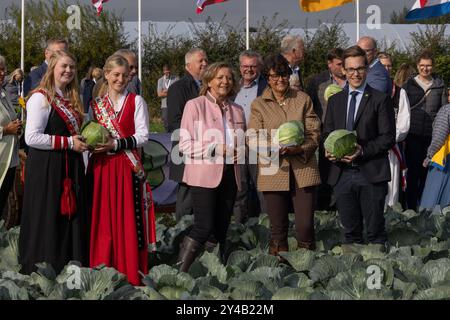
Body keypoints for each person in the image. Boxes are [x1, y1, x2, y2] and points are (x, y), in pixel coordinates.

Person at [19, 50, 89, 274]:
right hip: (47, 169)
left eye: (72, 67)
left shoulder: (70, 97)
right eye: (63, 66)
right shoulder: (41, 97)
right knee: (46, 216)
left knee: (65, 218)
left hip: (68, 168)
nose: (68, 70)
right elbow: (32, 138)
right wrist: (69, 143)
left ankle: (66, 267)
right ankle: (41, 270)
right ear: (52, 68)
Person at [89, 54, 155, 286]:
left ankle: (129, 269)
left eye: (124, 76)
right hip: (103, 168)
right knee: (104, 219)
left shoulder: (136, 101)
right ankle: (103, 268)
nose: (120, 79)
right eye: (115, 75)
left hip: (126, 167)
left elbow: (143, 136)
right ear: (106, 74)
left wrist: (115, 144)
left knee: (128, 219)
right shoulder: (96, 105)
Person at [323, 46, 395, 253]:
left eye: (360, 68)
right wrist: (328, 149)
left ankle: (377, 277)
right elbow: (326, 132)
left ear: (367, 69)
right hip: (342, 174)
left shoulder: (380, 99)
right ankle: (351, 273)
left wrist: (362, 151)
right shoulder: (335, 101)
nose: (356, 74)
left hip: (370, 173)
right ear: (343, 71)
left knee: (374, 232)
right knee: (349, 232)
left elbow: (387, 138)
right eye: (351, 69)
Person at [248, 54, 321, 259]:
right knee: (278, 227)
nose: (280, 80)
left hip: (303, 166)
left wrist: (299, 148)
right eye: (274, 76)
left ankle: (306, 264)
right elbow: (252, 137)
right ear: (267, 78)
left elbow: (314, 132)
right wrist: (273, 147)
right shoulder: (258, 104)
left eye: (284, 75)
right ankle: (279, 268)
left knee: (305, 225)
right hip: (273, 166)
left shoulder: (302, 99)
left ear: (289, 76)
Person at [177, 62, 245, 271]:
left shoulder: (238, 109)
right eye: (220, 77)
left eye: (229, 78)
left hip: (229, 176)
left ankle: (211, 274)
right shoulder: (195, 105)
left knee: (221, 229)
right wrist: (216, 148)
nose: (225, 82)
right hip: (204, 176)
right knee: (203, 227)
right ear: (208, 81)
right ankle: (180, 272)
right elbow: (185, 145)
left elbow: (241, 143)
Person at [403, 50, 448, 211]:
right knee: (412, 171)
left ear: (433, 66)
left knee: (427, 172)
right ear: (417, 66)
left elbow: (444, 110)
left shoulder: (439, 85)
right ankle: (410, 207)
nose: (425, 69)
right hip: (413, 134)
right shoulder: (408, 85)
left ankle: (424, 205)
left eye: (428, 66)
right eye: (422, 65)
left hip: (433, 135)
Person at [167, 48, 208, 222]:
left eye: (206, 60)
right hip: (188, 151)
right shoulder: (178, 88)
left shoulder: (211, 87)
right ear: (188, 65)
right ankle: (182, 236)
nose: (205, 63)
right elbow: (174, 122)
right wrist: (201, 137)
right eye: (201, 61)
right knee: (187, 198)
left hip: (207, 153)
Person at [306, 48, 346, 211]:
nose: (343, 67)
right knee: (326, 174)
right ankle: (325, 210)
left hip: (348, 134)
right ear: (329, 64)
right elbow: (311, 109)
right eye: (339, 64)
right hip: (326, 136)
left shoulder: (352, 80)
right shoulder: (317, 82)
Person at [233, 50, 267, 223]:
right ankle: (240, 228)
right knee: (240, 188)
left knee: (263, 188)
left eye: (253, 66)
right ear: (240, 68)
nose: (249, 69)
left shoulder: (267, 87)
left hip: (259, 145)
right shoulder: (232, 87)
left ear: (259, 67)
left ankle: (265, 228)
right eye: (245, 66)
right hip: (237, 145)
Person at [379, 53, 411, 208]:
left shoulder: (400, 93)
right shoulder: (367, 90)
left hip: (391, 147)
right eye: (382, 65)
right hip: (370, 147)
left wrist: (387, 139)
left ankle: (391, 222)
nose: (386, 68)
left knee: (391, 189)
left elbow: (404, 124)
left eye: (389, 65)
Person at [0, 56, 22, 215]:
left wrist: (17, 127)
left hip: (9, 161)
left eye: (4, 69)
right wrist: (6, 130)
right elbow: (6, 126)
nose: (3, 73)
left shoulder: (3, 92)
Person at [420, 103, 450, 213]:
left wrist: (429, 156)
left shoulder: (446, 110)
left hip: (443, 161)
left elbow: (439, 137)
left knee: (432, 202)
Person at [157, 65, 179, 132]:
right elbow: (159, 94)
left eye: (168, 72)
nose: (167, 73)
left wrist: (166, 91)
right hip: (165, 104)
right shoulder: (160, 80)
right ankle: (167, 135)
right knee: (165, 121)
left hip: (174, 104)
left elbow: (178, 91)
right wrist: (171, 91)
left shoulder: (176, 79)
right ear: (163, 72)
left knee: (174, 121)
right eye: (166, 72)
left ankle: (174, 134)